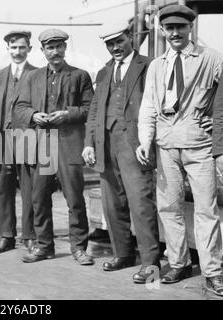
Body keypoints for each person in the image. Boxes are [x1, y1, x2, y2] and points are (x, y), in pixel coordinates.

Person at [137, 4, 223, 296]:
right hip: (165, 145)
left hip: (199, 145)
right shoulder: (157, 65)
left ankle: (212, 272)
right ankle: (179, 262)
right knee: (169, 207)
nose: (175, 32)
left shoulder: (210, 58)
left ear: (190, 29)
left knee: (206, 210)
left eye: (180, 27)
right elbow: (149, 105)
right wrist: (144, 140)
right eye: (169, 28)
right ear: (162, 31)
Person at [82, 20, 160, 283]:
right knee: (112, 203)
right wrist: (89, 143)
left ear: (130, 38)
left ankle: (150, 263)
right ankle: (123, 253)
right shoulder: (104, 72)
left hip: (135, 145)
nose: (115, 47)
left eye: (119, 41)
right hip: (106, 144)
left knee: (140, 203)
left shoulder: (149, 66)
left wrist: (149, 141)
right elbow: (94, 110)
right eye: (110, 44)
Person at [13, 29, 94, 264]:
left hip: (68, 146)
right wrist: (34, 114)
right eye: (50, 47)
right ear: (42, 51)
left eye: (59, 46)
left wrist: (67, 115)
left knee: (74, 198)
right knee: (39, 198)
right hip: (42, 146)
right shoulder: (32, 77)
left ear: (65, 48)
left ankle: (78, 248)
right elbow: (19, 108)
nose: (55, 51)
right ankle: (44, 246)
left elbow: (91, 109)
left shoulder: (80, 76)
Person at [0, 30, 37, 254]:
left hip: (28, 138)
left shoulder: (38, 75)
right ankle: (6, 235)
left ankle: (30, 235)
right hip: (2, 139)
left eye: (22, 47)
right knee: (4, 187)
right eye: (13, 48)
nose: (17, 52)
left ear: (29, 49)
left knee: (29, 186)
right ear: (7, 49)